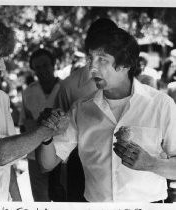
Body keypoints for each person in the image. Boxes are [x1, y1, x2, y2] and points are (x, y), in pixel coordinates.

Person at [38, 18, 176, 202]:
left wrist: (151, 164)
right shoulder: (80, 109)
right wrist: (46, 136)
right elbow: (47, 164)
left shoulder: (161, 105)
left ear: (125, 64)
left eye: (102, 59)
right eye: (90, 59)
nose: (92, 67)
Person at [0, 13, 69, 201]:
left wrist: (18, 202)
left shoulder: (1, 99)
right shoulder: (28, 92)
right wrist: (47, 129)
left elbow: (8, 162)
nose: (4, 67)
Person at [54, 18, 118, 201]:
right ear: (87, 47)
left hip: (123, 170)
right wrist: (56, 180)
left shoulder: (132, 83)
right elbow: (57, 135)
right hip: (79, 168)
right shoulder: (70, 86)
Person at [19, 48, 61, 201]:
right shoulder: (28, 92)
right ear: (33, 69)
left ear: (53, 64)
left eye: (45, 65)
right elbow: (23, 125)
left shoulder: (65, 88)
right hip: (35, 156)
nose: (42, 70)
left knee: (62, 199)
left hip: (62, 154)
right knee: (40, 200)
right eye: (38, 67)